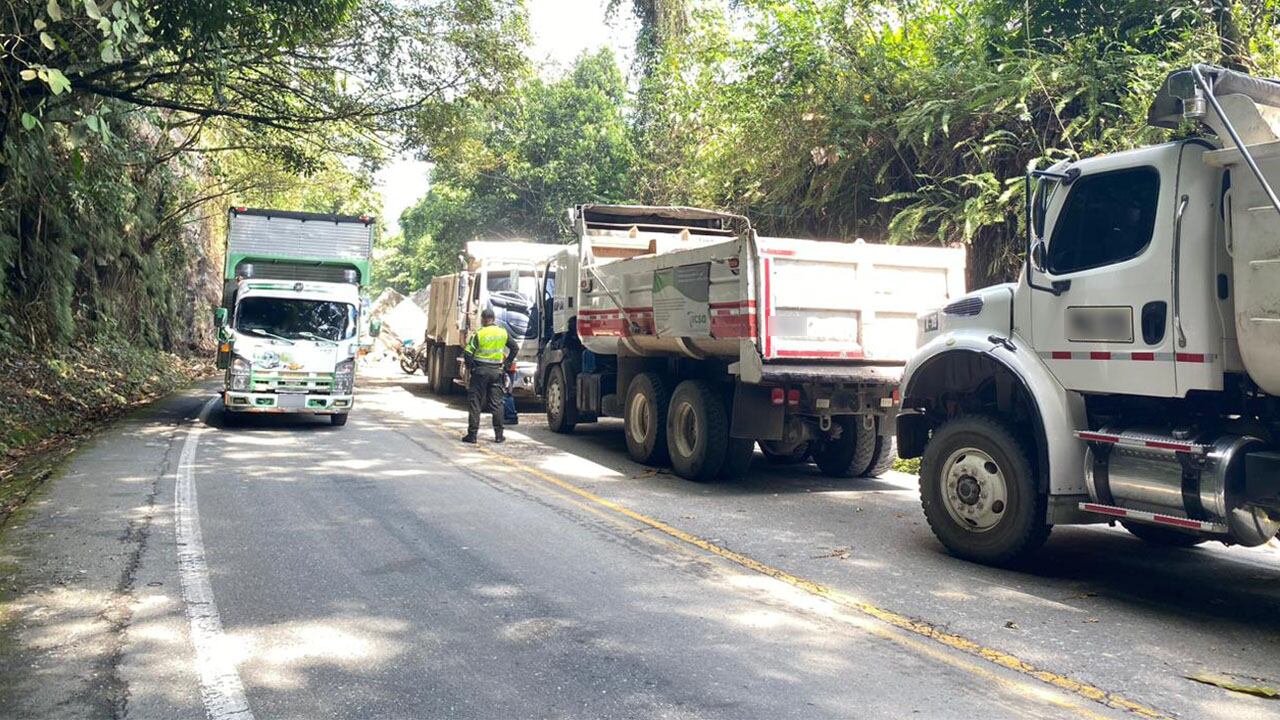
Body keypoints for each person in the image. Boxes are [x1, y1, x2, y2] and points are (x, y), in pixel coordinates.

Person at [461, 308, 519, 444]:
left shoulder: (479, 334)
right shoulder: (502, 332)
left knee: (475, 402)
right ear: (493, 319)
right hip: (496, 372)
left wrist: (472, 368)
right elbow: (515, 348)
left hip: (480, 372)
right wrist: (507, 364)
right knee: (496, 404)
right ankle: (499, 435)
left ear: (482, 319)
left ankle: (472, 435)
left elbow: (468, 353)